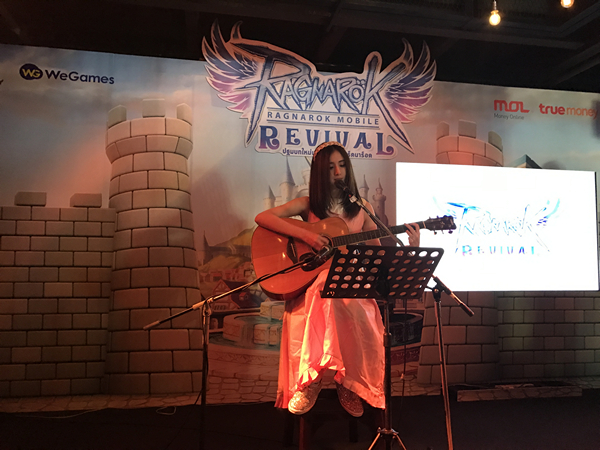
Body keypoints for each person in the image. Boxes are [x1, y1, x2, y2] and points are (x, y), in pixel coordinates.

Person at [255, 141, 420, 417]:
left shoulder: (362, 208)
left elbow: (378, 256)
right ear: (320, 172)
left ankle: (348, 382)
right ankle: (312, 378)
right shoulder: (308, 204)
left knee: (338, 292)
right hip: (317, 285)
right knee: (325, 285)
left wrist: (412, 247)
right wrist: (307, 235)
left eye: (342, 165)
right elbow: (263, 217)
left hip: (352, 285)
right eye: (331, 167)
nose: (338, 172)